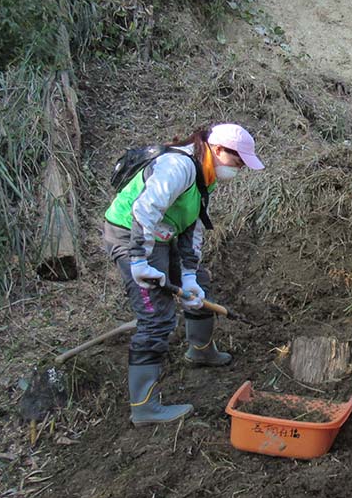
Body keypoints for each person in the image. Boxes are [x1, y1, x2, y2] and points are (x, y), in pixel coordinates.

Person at [103, 124, 264, 425]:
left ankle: (200, 351)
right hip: (130, 235)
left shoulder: (207, 174)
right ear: (218, 150)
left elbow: (193, 226)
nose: (240, 168)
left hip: (162, 235)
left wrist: (188, 274)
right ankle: (143, 407)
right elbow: (144, 210)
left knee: (200, 284)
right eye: (238, 160)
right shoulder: (178, 166)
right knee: (157, 318)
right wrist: (138, 260)